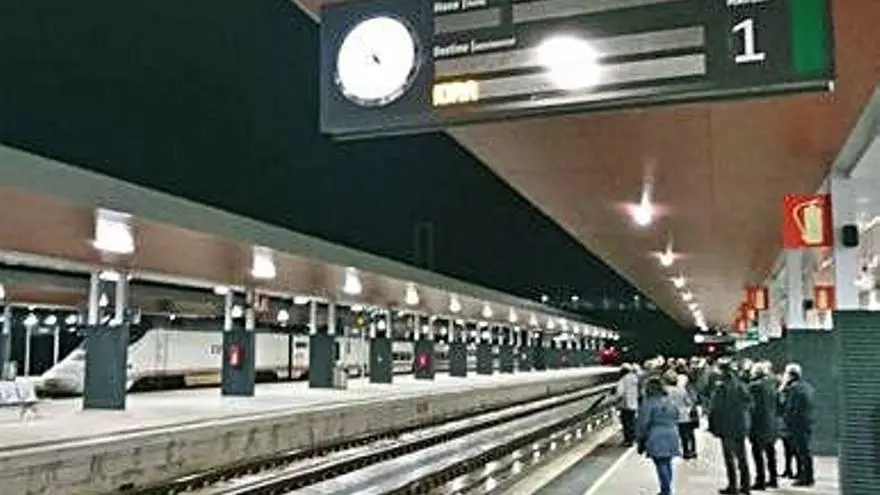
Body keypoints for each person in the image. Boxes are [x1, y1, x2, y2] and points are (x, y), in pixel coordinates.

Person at [709, 359, 753, 495]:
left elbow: (715, 408)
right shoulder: (741, 385)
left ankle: (733, 485)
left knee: (729, 458)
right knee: (742, 456)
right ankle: (746, 485)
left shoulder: (721, 387)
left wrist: (713, 426)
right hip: (740, 424)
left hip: (726, 425)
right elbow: (749, 403)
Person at [637, 376, 682, 495]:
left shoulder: (649, 402)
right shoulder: (669, 400)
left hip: (656, 434)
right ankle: (666, 488)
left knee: (660, 463)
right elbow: (677, 415)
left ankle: (666, 490)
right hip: (672, 432)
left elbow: (643, 422)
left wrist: (641, 438)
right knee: (667, 462)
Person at [781, 363, 816, 487]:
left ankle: (805, 477)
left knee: (801, 451)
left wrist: (787, 420)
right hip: (807, 422)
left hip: (797, 424)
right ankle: (808, 475)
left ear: (790, 375)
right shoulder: (807, 387)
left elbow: (790, 408)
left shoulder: (793, 388)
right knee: (805, 451)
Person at [747, 361, 779, 490]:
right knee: (770, 451)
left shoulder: (753, 386)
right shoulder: (771, 385)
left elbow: (751, 406)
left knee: (757, 452)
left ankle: (760, 480)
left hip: (757, 423)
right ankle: (773, 478)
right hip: (771, 422)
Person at [668, 372, 698, 459]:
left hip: (672, 415)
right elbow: (688, 402)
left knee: (675, 434)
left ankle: (675, 450)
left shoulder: (667, 391)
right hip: (684, 415)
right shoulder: (682, 390)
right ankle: (688, 451)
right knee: (686, 434)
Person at [616, 363, 640, 447]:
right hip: (634, 403)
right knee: (632, 421)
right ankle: (633, 438)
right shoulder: (635, 378)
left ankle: (628, 440)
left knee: (626, 423)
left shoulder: (623, 380)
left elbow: (619, 392)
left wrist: (616, 400)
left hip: (625, 404)